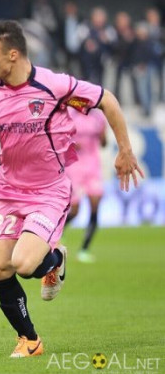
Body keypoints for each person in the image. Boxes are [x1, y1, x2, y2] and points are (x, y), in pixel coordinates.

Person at [0, 20, 143, 358]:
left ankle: (55, 259)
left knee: (24, 265)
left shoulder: (54, 87)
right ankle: (29, 340)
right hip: (5, 191)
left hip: (48, 191)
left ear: (12, 55)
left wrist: (124, 149)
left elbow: (107, 100)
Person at [65, 108, 107, 263]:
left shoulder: (98, 117)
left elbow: (103, 143)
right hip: (74, 167)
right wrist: (72, 144)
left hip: (93, 167)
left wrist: (103, 134)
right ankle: (58, 231)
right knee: (75, 210)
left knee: (95, 204)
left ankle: (84, 249)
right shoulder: (69, 115)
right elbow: (61, 140)